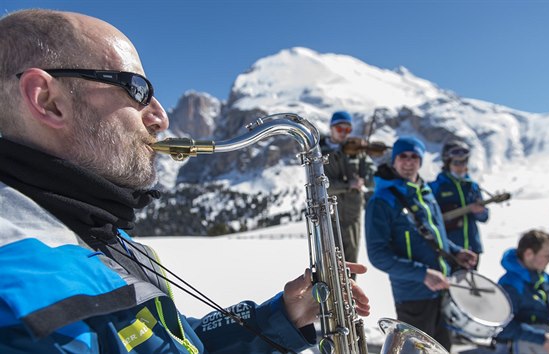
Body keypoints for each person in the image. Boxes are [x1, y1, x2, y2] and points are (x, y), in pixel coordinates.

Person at [0, 9, 369, 354]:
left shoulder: (98, 232)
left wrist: (283, 317)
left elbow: (173, 341)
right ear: (47, 100)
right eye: (137, 89)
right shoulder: (20, 301)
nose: (162, 117)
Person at [365, 136, 478, 351]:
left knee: (442, 349)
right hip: (412, 295)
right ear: (394, 160)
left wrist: (455, 252)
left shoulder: (426, 193)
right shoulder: (381, 200)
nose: (409, 162)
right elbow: (378, 255)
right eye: (403, 156)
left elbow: (437, 235)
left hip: (441, 289)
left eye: (414, 157)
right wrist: (422, 274)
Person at [319, 111, 375, 265]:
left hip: (352, 215)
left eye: (348, 130)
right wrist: (347, 185)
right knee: (331, 263)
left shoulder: (357, 152)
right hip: (328, 215)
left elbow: (372, 181)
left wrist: (365, 179)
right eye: (340, 129)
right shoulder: (318, 152)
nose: (344, 133)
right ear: (331, 128)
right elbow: (321, 186)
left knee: (351, 262)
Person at [429, 140, 488, 269]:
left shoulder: (472, 186)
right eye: (456, 162)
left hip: (473, 249)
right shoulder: (435, 187)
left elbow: (485, 217)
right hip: (448, 251)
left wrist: (480, 212)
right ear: (447, 163)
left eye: (464, 162)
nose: (461, 166)